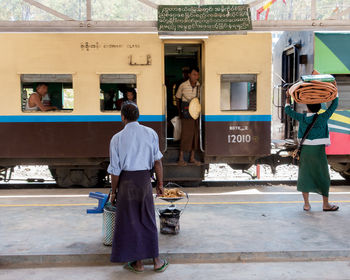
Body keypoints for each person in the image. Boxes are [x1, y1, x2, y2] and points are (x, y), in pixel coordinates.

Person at [108, 101, 169, 273]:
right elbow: (157, 162)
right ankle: (157, 262)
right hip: (144, 181)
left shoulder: (117, 138)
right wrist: (160, 184)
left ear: (123, 117)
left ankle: (139, 264)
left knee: (131, 222)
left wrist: (114, 192)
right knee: (147, 219)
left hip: (126, 183)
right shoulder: (150, 133)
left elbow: (115, 170)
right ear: (138, 116)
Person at [285, 91, 339, 212]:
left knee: (305, 175)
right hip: (319, 151)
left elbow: (288, 111)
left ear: (307, 107)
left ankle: (307, 205)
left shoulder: (302, 118)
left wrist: (288, 98)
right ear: (319, 108)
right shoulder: (323, 117)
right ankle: (326, 204)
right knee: (323, 176)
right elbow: (334, 105)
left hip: (305, 151)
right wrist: (335, 91)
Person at [175, 66, 201, 166]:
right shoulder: (183, 85)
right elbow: (177, 98)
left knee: (195, 135)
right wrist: (179, 112)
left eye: (197, 74)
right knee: (186, 135)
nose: (196, 76)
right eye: (194, 74)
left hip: (195, 113)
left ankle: (192, 158)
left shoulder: (199, 86)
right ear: (189, 75)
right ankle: (181, 158)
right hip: (186, 113)